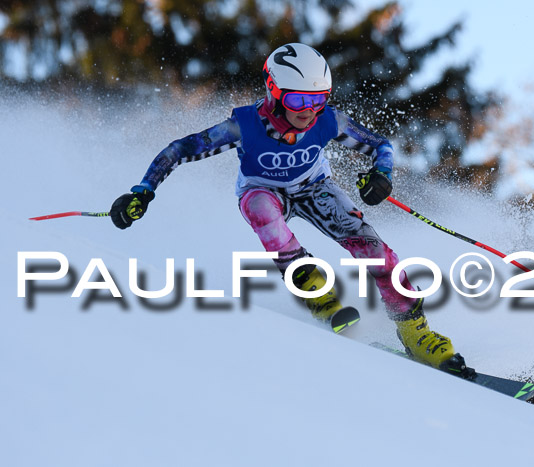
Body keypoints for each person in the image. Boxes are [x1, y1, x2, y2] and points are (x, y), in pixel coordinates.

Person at [110, 43, 474, 378]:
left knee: (377, 251)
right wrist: (142, 192)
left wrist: (381, 176)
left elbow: (381, 145)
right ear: (273, 91)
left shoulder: (327, 120)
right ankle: (315, 289)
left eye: (318, 100)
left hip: (315, 189)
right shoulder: (244, 125)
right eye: (298, 100)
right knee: (261, 210)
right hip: (263, 191)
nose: (308, 112)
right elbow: (179, 149)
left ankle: (416, 332)